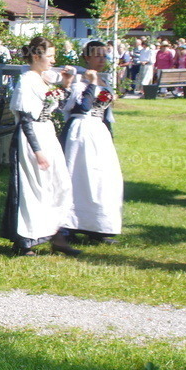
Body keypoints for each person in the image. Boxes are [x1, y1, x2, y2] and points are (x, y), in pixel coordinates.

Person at [1, 36, 77, 257]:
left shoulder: (43, 79)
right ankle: (25, 240)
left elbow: (57, 105)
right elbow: (25, 118)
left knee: (58, 184)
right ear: (37, 56)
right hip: (30, 137)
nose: (53, 61)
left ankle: (57, 236)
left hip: (46, 133)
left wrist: (66, 85)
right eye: (50, 56)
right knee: (32, 187)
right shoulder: (26, 81)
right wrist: (38, 150)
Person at [62, 41, 123, 245]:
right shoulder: (80, 81)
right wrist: (92, 83)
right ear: (86, 57)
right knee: (79, 176)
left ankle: (97, 226)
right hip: (81, 132)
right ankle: (69, 225)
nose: (101, 60)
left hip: (99, 133)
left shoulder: (104, 81)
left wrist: (109, 136)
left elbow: (106, 113)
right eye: (97, 55)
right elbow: (84, 106)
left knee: (101, 179)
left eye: (104, 56)